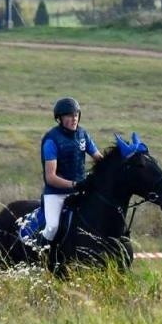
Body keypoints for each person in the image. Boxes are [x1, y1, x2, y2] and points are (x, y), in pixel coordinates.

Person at [39, 97, 105, 245]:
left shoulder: (83, 135)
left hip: (79, 191)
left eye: (76, 115)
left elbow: (99, 159)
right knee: (52, 227)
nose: (74, 119)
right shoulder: (51, 140)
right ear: (60, 119)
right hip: (56, 194)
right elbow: (50, 177)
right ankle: (40, 257)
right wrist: (74, 184)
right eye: (69, 115)